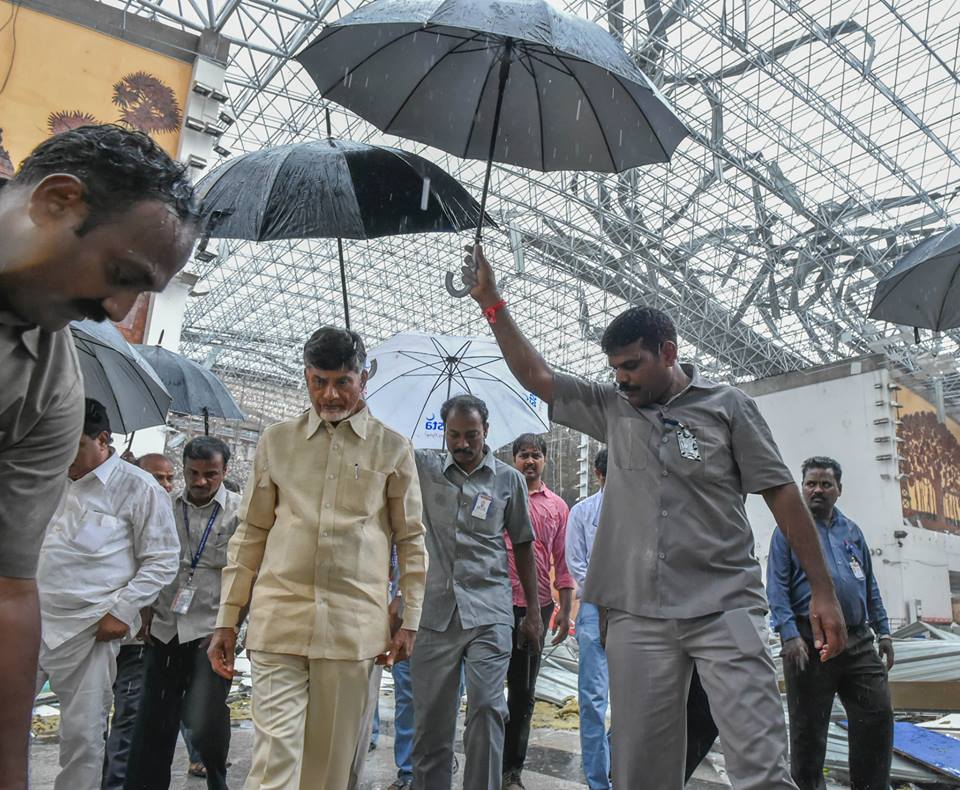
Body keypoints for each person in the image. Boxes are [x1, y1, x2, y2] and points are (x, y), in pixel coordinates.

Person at [461, 243, 847, 790]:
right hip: (638, 614)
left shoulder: (728, 407)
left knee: (761, 764)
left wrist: (823, 592)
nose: (622, 379)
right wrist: (493, 303)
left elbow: (782, 494)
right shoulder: (613, 410)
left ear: (667, 351)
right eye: (614, 368)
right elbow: (538, 376)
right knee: (641, 772)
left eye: (633, 365)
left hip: (725, 604)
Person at [0, 123, 198, 788]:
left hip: (84, 627)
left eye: (143, 293)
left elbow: (10, 587)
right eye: (121, 276)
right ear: (58, 201)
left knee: (84, 738)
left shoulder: (48, 386)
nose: (116, 309)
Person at [208, 326, 428, 789]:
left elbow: (410, 539)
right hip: (278, 623)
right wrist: (227, 618)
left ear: (364, 377)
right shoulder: (276, 442)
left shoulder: (393, 449)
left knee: (327, 773)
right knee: (274, 763)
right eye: (318, 381)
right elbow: (250, 533)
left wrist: (410, 617)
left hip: (352, 633)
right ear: (306, 377)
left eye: (342, 382)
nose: (329, 394)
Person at [35, 399, 180, 790]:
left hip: (90, 629)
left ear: (102, 439)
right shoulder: (46, 478)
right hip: (31, 618)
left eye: (74, 445)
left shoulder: (140, 489)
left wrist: (122, 610)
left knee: (82, 736)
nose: (65, 454)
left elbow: (163, 560)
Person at [411, 394, 541, 790]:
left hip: (490, 610)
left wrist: (532, 613)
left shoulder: (508, 480)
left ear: (487, 432)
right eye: (454, 435)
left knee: (487, 708)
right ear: (444, 433)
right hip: (434, 613)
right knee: (431, 721)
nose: (463, 443)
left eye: (472, 435)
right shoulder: (422, 468)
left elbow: (522, 544)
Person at [767, 456, 895, 790]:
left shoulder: (852, 532)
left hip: (858, 641)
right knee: (808, 737)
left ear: (839, 489)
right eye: (811, 484)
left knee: (876, 719)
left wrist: (883, 631)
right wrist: (789, 636)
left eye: (826, 484)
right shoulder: (787, 530)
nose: (818, 490)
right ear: (802, 488)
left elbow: (869, 586)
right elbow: (776, 587)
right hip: (808, 644)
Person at [125, 437, 242, 790]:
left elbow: (248, 572)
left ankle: (217, 780)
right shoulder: (163, 505)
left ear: (225, 472)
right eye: (193, 473)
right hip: (165, 625)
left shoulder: (241, 511)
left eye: (211, 474)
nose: (201, 481)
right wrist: (144, 609)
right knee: (154, 721)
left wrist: (234, 627)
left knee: (206, 721)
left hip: (211, 630)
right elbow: (147, 556)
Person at [102, 453, 178, 790]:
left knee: (128, 720)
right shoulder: (112, 507)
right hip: (98, 632)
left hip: (139, 640)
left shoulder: (174, 515)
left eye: (168, 478)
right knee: (89, 720)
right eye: (155, 477)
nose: (163, 485)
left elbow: (167, 570)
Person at [503, 433, 574, 790]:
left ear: (544, 460)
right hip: (495, 603)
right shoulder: (499, 493)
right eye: (523, 456)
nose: (529, 462)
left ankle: (511, 770)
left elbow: (562, 560)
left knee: (523, 691)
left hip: (537, 607)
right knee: (484, 692)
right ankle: (484, 761)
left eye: (535, 456)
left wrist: (564, 608)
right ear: (513, 459)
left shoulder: (558, 507)